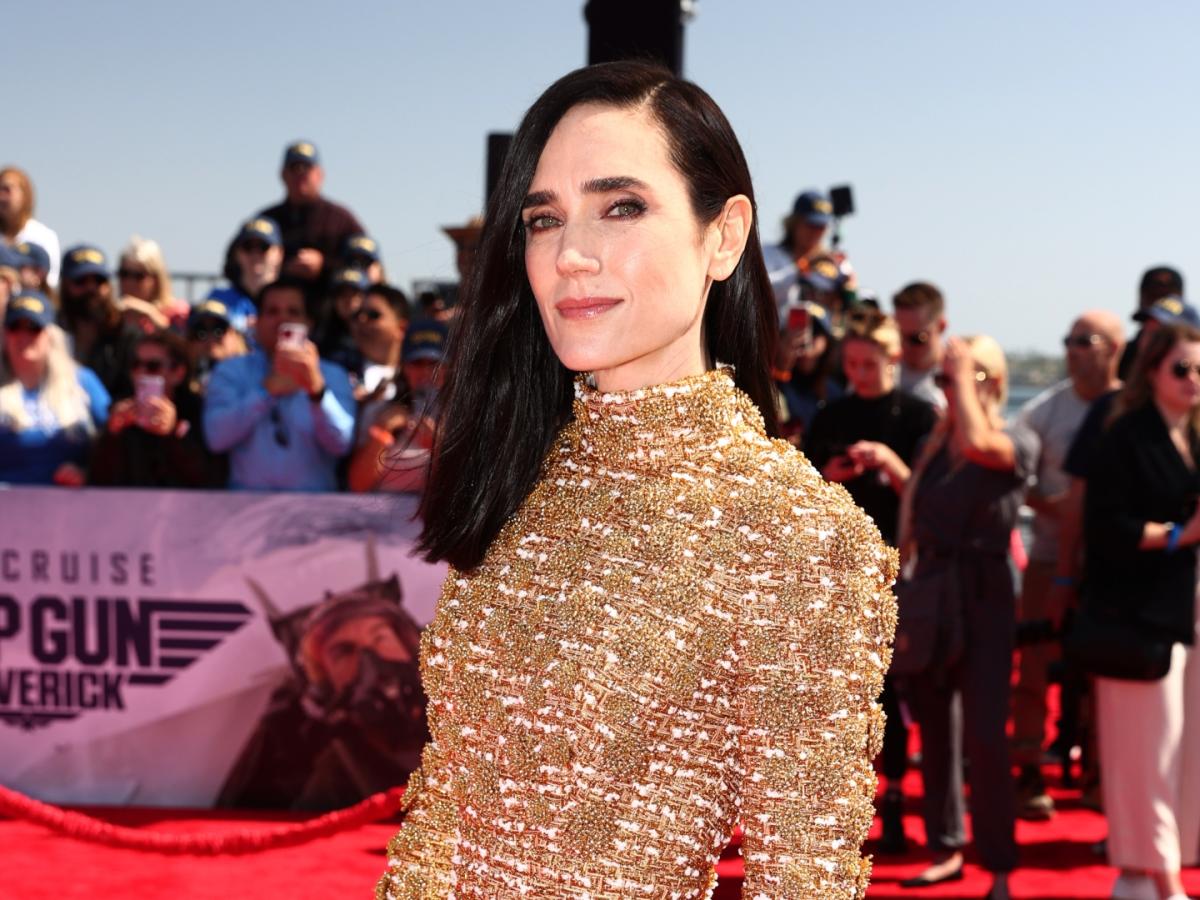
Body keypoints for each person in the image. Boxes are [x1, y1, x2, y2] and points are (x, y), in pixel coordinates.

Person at [377, 60, 897, 900]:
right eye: (544, 220)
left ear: (723, 236)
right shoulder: (521, 477)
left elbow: (805, 877)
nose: (571, 255)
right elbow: (446, 805)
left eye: (621, 207)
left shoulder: (796, 533)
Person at [896, 335, 1039, 899]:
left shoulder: (1014, 440)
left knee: (983, 733)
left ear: (993, 383)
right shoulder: (937, 445)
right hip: (934, 592)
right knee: (935, 726)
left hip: (984, 596)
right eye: (946, 378)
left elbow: (984, 442)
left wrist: (959, 379)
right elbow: (914, 517)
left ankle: (999, 865)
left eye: (965, 376)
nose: (950, 387)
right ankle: (945, 846)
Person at [804, 311, 937, 854]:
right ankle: (841, 811)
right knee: (841, 697)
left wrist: (891, 463)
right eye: (850, 363)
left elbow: (933, 500)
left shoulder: (919, 416)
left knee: (895, 693)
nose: (857, 372)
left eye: (868, 363)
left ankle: (900, 801)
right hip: (837, 571)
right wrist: (830, 476)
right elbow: (801, 490)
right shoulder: (829, 415)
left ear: (892, 360)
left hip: (901, 567)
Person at [1084, 323, 1200, 900]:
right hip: (1136, 617)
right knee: (1148, 753)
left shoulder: (1194, 435)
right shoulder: (1126, 436)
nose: (1194, 379)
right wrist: (1180, 534)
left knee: (1183, 752)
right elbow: (1104, 529)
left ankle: (1143, 874)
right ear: (1152, 370)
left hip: (1187, 612)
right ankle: (1164, 879)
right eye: (1182, 368)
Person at [1009, 311, 1124, 820]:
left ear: (1114, 348)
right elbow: (1014, 480)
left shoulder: (1131, 411)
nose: (1073, 349)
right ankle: (1030, 766)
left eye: (1085, 341)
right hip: (1050, 556)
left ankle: (1103, 775)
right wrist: (1052, 503)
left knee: (1107, 674)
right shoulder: (1041, 412)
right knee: (1033, 666)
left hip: (1108, 566)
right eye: (1069, 341)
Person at [202, 276, 355, 491]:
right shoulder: (231, 371)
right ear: (257, 322)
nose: (282, 319)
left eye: (293, 312)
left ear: (308, 323)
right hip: (245, 512)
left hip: (314, 513)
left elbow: (342, 444)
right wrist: (266, 392)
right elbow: (216, 438)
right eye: (272, 311)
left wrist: (317, 392)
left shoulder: (332, 375)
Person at [89, 329, 226, 488]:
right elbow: (99, 479)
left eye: (152, 366)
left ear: (178, 373)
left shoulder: (198, 410)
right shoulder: (120, 410)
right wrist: (112, 434)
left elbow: (209, 478)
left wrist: (173, 433)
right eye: (135, 365)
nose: (141, 373)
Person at [0, 291, 109, 485]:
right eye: (15, 327)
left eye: (34, 327)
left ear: (50, 335)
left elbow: (112, 440)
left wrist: (88, 472)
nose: (24, 335)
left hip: (68, 508)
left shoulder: (82, 381)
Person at [254, 141, 365, 293]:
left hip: (328, 309)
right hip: (277, 309)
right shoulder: (266, 220)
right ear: (283, 174)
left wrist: (323, 265)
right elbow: (234, 266)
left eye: (306, 167)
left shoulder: (341, 220)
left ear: (320, 174)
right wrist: (283, 267)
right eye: (294, 168)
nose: (300, 173)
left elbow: (365, 264)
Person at [57, 244, 139, 398]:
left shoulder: (126, 336)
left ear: (109, 285)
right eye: (80, 280)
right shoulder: (48, 331)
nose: (91, 288)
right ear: (65, 285)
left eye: (99, 280)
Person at [773, 299, 843, 446]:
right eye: (795, 330)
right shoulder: (776, 381)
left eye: (814, 332)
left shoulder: (836, 390)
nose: (805, 340)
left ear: (827, 340)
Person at [207, 216, 284, 336]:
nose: (255, 254)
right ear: (237, 253)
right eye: (248, 247)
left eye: (263, 247)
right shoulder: (218, 299)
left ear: (279, 253)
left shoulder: (291, 302)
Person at [1120, 266, 1185, 380]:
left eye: (1167, 298)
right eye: (1153, 296)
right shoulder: (1121, 358)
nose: (1159, 304)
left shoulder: (1194, 360)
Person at [0, 167, 61, 289]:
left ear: (25, 195)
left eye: (7, 190)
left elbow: (50, 284)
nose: (1, 196)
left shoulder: (43, 236)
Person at [893, 281, 948, 410]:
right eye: (899, 336)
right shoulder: (877, 369)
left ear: (941, 326)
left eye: (918, 338)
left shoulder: (958, 378)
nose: (905, 346)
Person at [115, 236, 190, 330]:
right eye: (124, 274)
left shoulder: (177, 312)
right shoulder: (115, 315)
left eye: (139, 276)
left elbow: (181, 341)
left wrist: (148, 313)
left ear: (156, 279)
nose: (129, 282)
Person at [314, 266, 369, 377]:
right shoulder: (322, 335)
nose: (348, 300)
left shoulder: (374, 331)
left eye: (354, 294)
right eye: (342, 294)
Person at [185, 298, 248, 392]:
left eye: (219, 330)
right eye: (201, 332)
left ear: (234, 335)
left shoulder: (252, 377)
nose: (211, 339)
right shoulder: (178, 378)